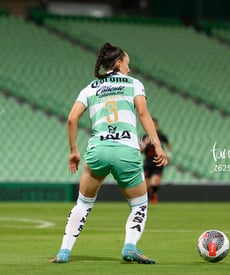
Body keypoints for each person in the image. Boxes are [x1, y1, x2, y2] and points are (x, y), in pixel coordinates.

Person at [50, 42, 168, 264]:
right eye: (127, 64)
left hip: (98, 150)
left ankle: (64, 251)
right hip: (126, 152)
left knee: (83, 203)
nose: (129, 69)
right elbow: (143, 114)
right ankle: (130, 246)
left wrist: (73, 151)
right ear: (118, 63)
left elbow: (71, 119)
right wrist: (158, 145)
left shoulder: (90, 88)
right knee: (139, 204)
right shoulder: (134, 84)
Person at [140, 118, 171, 204]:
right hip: (148, 162)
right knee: (145, 185)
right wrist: (144, 145)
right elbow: (141, 151)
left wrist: (168, 155)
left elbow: (168, 145)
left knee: (154, 183)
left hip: (158, 162)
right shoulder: (144, 137)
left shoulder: (161, 137)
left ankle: (153, 194)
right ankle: (146, 200)